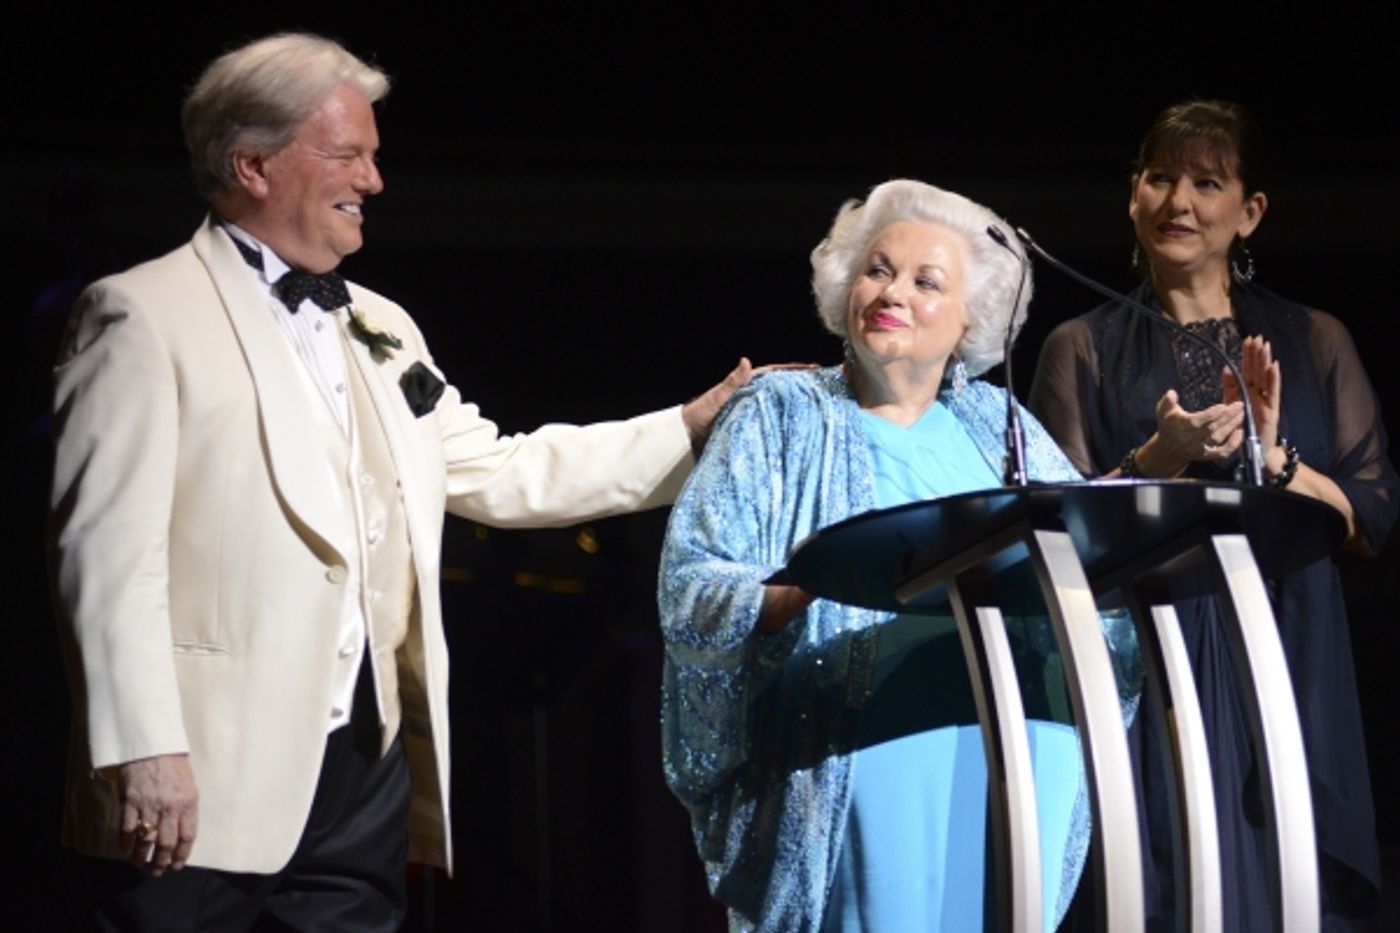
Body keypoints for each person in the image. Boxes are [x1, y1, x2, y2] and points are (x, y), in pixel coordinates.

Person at [49, 32, 755, 931]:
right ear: (253, 165)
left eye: (373, 157)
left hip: (365, 773)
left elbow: (501, 469)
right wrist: (145, 747)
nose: (374, 181)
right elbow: (105, 557)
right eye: (348, 155)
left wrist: (686, 431)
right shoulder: (141, 313)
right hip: (202, 776)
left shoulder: (383, 326)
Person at [659, 179, 1140, 932]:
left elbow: (1088, 550)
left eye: (926, 281)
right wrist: (788, 595)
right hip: (865, 759)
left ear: (969, 321)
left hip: (1021, 752)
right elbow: (693, 581)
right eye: (877, 269)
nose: (892, 292)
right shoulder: (780, 412)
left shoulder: (1001, 422)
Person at [1029, 99, 1399, 932]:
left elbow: (1366, 515)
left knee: (1287, 886)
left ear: (1250, 211)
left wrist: (1276, 460)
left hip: (1289, 643)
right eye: (1160, 179)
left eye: (1207, 182)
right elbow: (1053, 527)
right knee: (1157, 884)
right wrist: (1153, 459)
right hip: (1149, 656)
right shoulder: (1081, 347)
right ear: (1133, 196)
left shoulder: (1315, 341)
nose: (1180, 203)